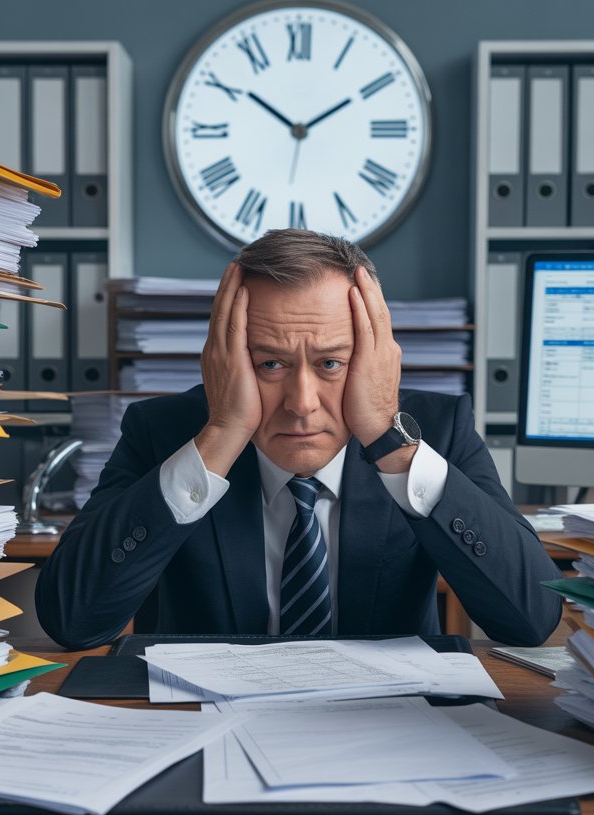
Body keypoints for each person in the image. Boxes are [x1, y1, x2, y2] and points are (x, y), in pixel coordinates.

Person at [36, 229, 562, 649]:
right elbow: (72, 621)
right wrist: (220, 435)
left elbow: (532, 620)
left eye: (331, 362)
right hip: (205, 728)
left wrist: (388, 439)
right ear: (228, 359)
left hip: (389, 733)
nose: (301, 401)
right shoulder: (166, 433)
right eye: (269, 363)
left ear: (372, 358)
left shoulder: (435, 430)